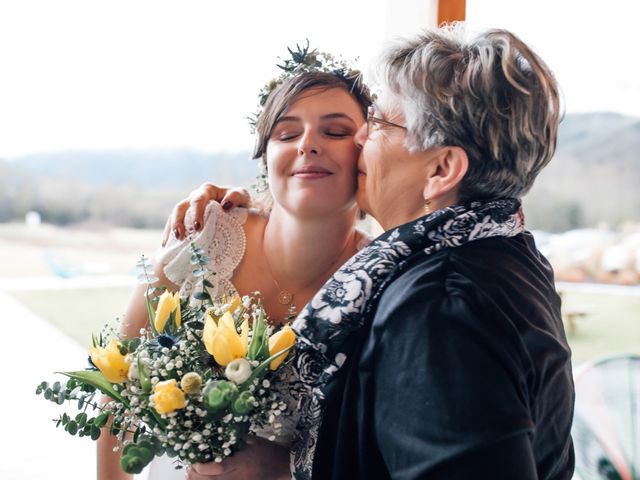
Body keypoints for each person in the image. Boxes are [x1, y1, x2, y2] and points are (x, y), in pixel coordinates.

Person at [178, 24, 575, 480]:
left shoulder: (441, 309)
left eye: (382, 123)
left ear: (441, 169)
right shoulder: (504, 255)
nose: (360, 139)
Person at [96, 59, 374, 479]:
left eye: (335, 131)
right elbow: (117, 391)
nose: (307, 144)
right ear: (266, 156)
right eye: (287, 133)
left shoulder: (383, 279)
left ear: (369, 155)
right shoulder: (206, 240)